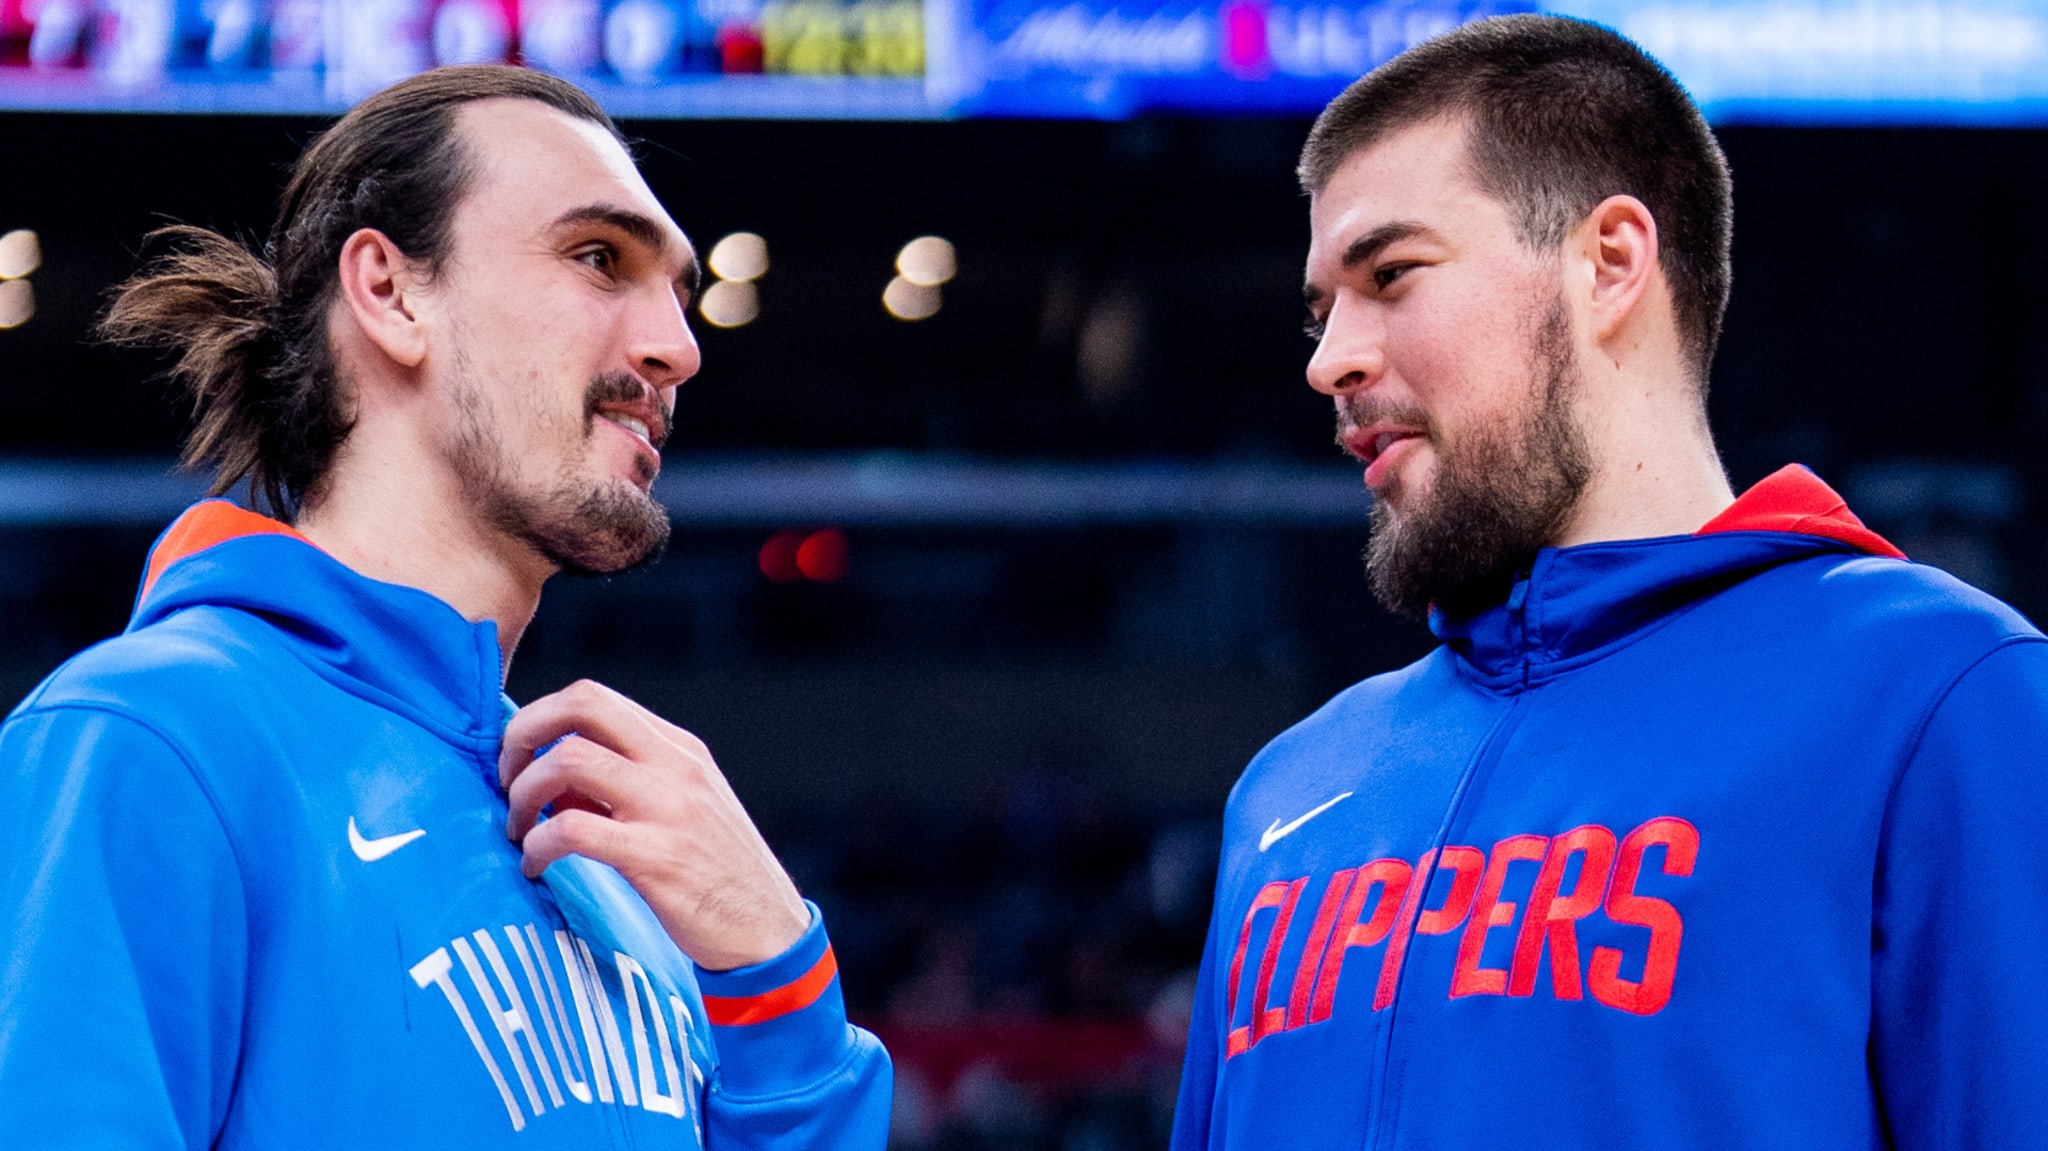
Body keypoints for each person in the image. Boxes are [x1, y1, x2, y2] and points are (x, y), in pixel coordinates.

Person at [1172, 14, 2048, 1150]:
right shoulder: (1287, 789)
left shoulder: (1938, 695)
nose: (1327, 356)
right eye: (1320, 306)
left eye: (1389, 274)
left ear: (1609, 261)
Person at [0, 65, 889, 1148]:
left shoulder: (621, 866)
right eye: (598, 258)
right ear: (390, 291)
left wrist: (779, 985)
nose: (678, 348)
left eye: (680, 295)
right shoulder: (146, 738)